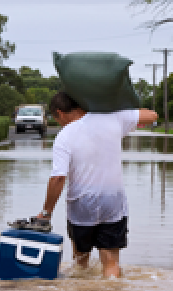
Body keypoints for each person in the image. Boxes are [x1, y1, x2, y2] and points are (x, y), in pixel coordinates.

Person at [36, 91, 158, 278]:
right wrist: (115, 107)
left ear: (59, 113)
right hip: (113, 203)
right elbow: (152, 116)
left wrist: (46, 213)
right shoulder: (113, 118)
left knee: (80, 261)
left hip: (81, 205)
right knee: (111, 261)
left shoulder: (65, 135)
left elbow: (58, 178)